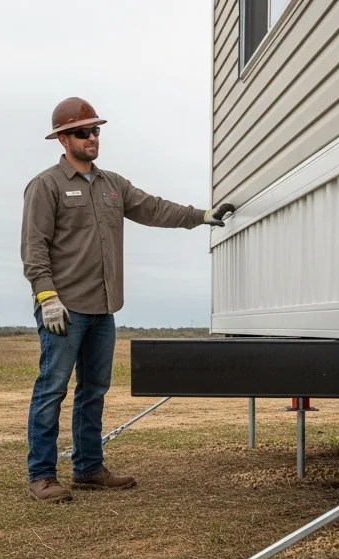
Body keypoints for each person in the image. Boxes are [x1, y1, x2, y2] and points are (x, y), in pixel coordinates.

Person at [20, 96, 234, 503]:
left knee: (94, 391)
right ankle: (42, 476)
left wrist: (202, 216)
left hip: (104, 308)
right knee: (52, 390)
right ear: (63, 139)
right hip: (64, 309)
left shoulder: (112, 185)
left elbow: (153, 208)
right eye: (84, 132)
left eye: (96, 130)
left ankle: (87, 469)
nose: (93, 137)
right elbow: (34, 248)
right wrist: (46, 296)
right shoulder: (46, 185)